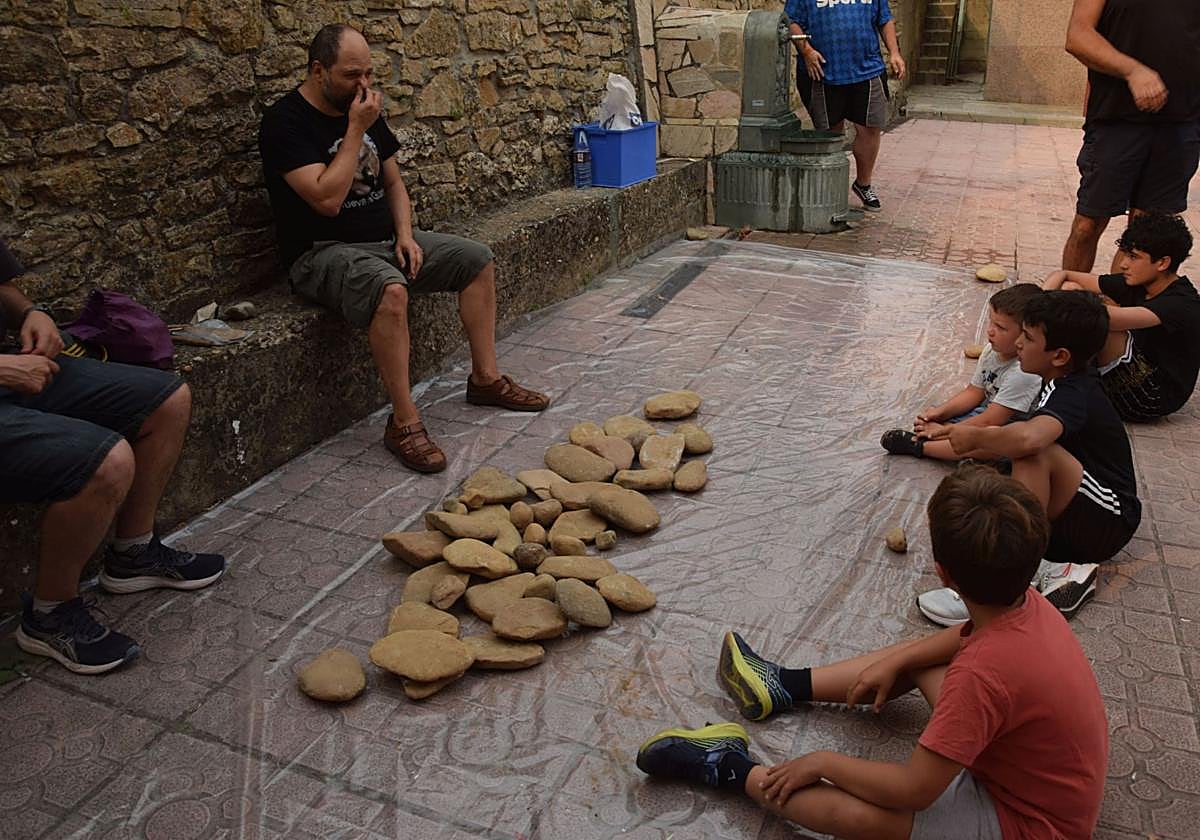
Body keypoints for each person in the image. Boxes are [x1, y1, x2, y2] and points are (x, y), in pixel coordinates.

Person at [636, 466, 1108, 840]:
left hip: (1034, 826)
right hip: (1043, 780)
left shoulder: (982, 675)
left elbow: (914, 791)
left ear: (943, 574)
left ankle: (730, 766)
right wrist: (898, 662)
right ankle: (782, 684)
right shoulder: (1032, 605)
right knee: (921, 654)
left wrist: (822, 762)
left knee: (867, 818)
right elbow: (959, 642)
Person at [258, 23, 550, 475]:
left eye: (369, 74)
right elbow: (328, 199)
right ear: (319, 71)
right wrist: (356, 129)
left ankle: (486, 379)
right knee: (392, 291)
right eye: (352, 75)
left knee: (476, 260)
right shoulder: (285, 122)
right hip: (321, 252)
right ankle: (404, 422)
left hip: (384, 242)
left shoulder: (363, 107)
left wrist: (407, 234)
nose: (364, 86)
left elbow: (394, 182)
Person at [0, 239, 226, 675]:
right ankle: (49, 614)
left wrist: (32, 313)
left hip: (14, 367)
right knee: (107, 461)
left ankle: (133, 555)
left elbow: (3, 286)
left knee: (168, 399)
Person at [918, 291, 1141, 625]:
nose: (1019, 343)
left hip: (1108, 518)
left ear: (1060, 356)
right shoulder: (1054, 380)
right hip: (1078, 511)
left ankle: (1006, 586)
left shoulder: (1074, 391)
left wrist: (974, 433)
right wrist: (932, 442)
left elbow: (1028, 439)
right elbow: (1003, 441)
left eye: (1029, 337)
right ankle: (1052, 566)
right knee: (997, 468)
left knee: (1031, 451)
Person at [1061, 0, 1200, 272]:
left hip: (1181, 123)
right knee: (1088, 224)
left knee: (1144, 234)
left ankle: (1118, 305)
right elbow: (1078, 36)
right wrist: (1132, 70)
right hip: (1117, 119)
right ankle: (1069, 307)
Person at [1045, 212, 1200, 421]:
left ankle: (1053, 384)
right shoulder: (1138, 281)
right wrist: (1040, 301)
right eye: (1126, 255)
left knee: (1097, 320)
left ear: (1163, 263)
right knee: (1072, 289)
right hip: (1128, 370)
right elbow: (1064, 275)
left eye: (1134, 257)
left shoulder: (1181, 301)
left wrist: (1043, 308)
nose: (1124, 264)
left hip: (1152, 395)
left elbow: (1106, 318)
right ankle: (1048, 380)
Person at [881, 284, 1043, 460]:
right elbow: (974, 392)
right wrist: (941, 412)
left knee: (991, 445)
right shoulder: (991, 351)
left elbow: (992, 420)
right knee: (949, 421)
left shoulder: (1023, 372)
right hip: (986, 412)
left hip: (1008, 425)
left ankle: (922, 447)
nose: (990, 330)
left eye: (1001, 327)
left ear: (1025, 334)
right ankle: (947, 440)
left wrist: (943, 431)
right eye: (990, 321)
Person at [784, 0, 906, 212]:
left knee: (870, 127)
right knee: (830, 132)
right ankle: (830, 187)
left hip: (867, 68)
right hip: (822, 71)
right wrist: (807, 51)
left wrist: (894, 53)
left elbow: (884, 19)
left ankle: (863, 184)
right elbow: (792, 21)